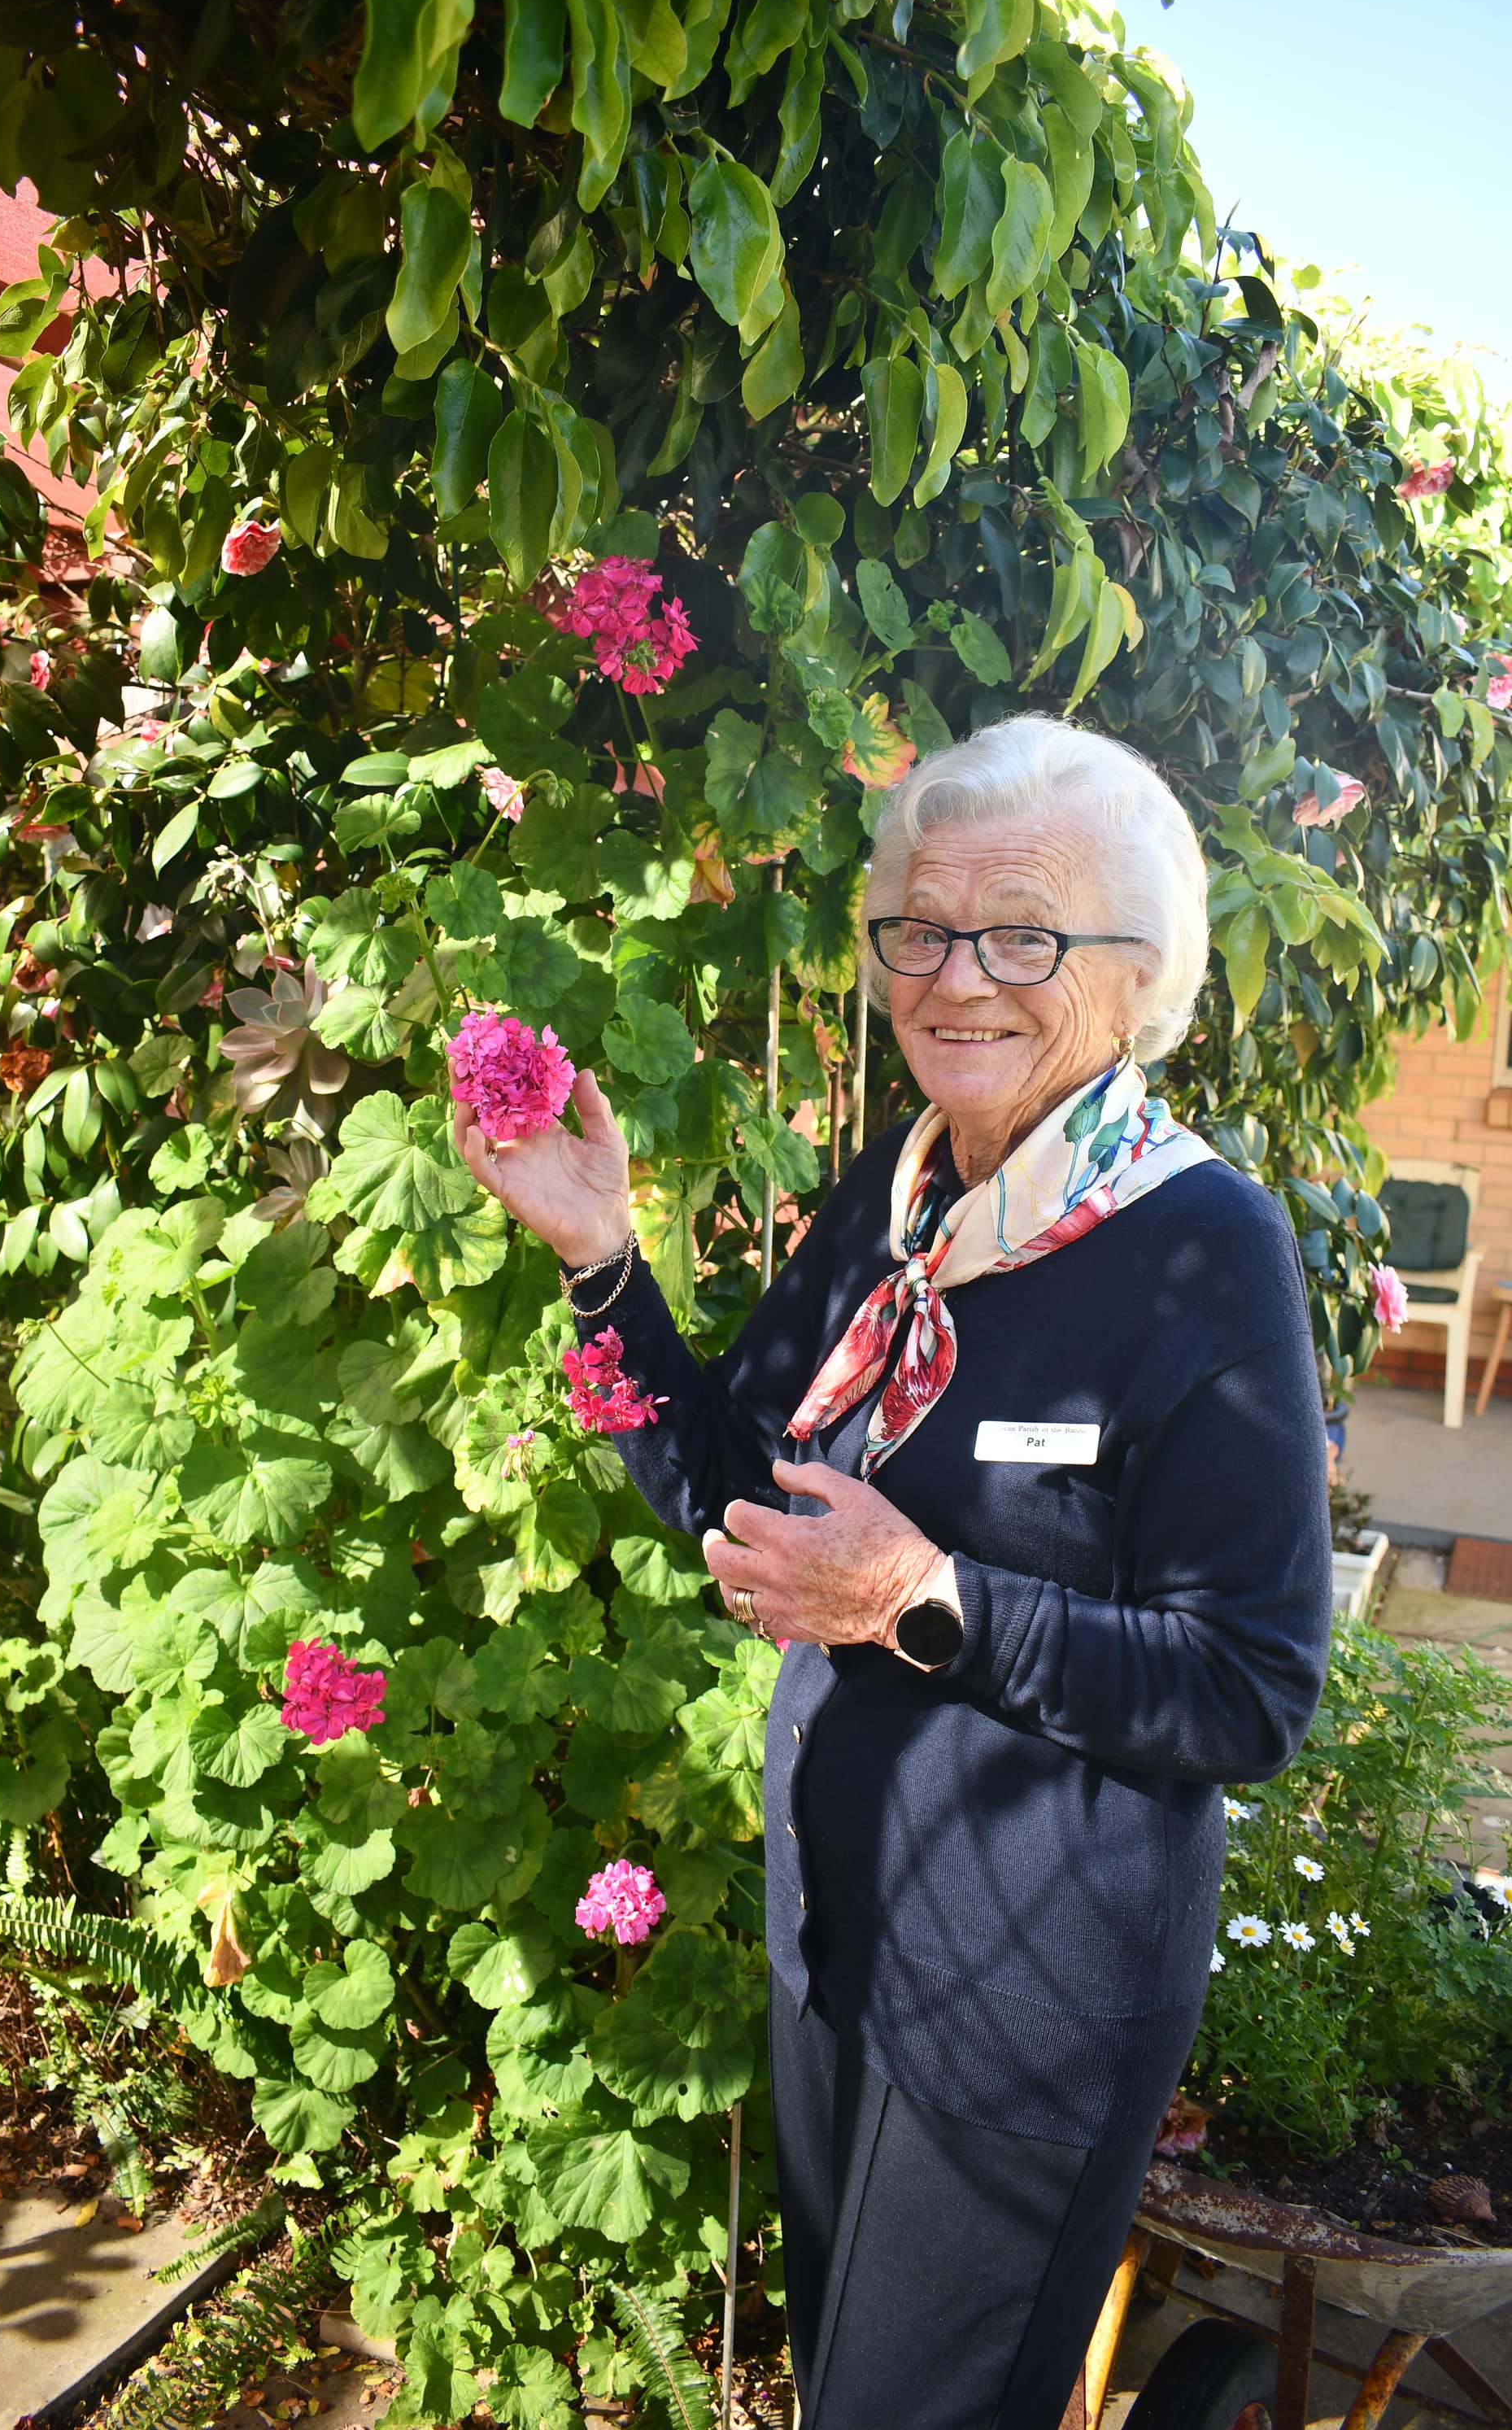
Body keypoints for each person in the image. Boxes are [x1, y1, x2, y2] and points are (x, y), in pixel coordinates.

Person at [454, 713, 1332, 2430]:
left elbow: (1250, 1688)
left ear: (1140, 975)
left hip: (1029, 2011)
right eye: (917, 930)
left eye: (1024, 935)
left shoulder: (1202, 1248)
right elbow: (727, 1489)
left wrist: (923, 1599)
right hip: (835, 1941)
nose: (956, 979)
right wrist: (599, 1262)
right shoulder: (902, 1198)